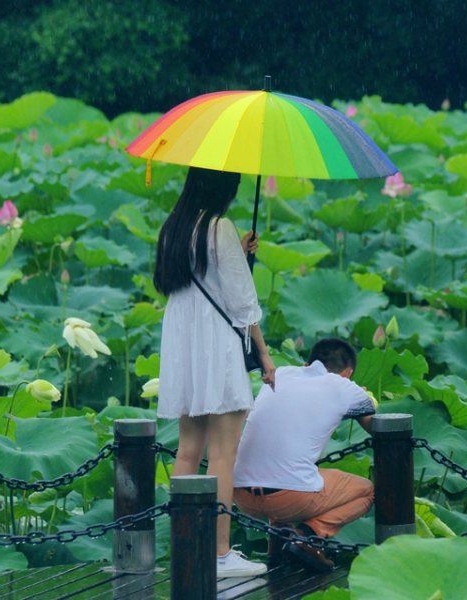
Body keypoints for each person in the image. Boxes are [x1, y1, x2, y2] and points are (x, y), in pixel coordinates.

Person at [154, 166, 276, 578]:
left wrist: (236, 255)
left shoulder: (175, 227)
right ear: (225, 187)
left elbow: (197, 280)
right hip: (215, 346)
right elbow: (242, 303)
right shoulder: (219, 226)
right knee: (223, 452)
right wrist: (264, 354)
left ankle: (186, 546)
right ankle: (220, 554)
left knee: (189, 448)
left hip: (183, 343)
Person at [232, 338, 377, 572]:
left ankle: (276, 554)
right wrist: (361, 396)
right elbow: (375, 426)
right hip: (289, 497)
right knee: (368, 491)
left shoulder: (282, 374)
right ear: (348, 373)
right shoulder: (345, 386)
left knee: (285, 468)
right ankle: (307, 536)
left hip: (240, 494)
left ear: (306, 363)